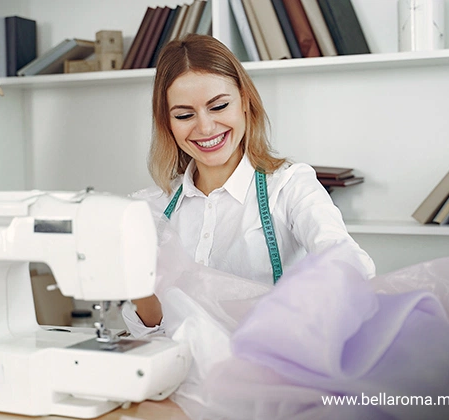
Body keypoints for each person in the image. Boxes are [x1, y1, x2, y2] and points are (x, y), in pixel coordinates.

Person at [121, 34, 375, 337]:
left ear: (244, 100)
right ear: (168, 122)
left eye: (218, 106)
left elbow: (347, 261)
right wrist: (139, 281)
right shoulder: (151, 208)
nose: (205, 128)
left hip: (271, 372)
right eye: (185, 115)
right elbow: (150, 329)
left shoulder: (290, 187)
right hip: (181, 375)